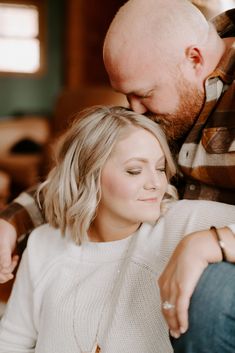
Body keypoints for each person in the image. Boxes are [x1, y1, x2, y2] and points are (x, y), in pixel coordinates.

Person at [0, 0, 235, 350]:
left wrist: (214, 241)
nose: (134, 110)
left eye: (144, 94)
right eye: (127, 96)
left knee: (212, 295)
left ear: (195, 59)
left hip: (218, 253)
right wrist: (11, 221)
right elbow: (92, 164)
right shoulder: (165, 95)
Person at [0, 105, 235, 353]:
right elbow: (12, 342)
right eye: (134, 171)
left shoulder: (184, 222)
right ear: (87, 175)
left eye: (160, 167)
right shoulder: (43, 243)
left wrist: (212, 241)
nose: (156, 183)